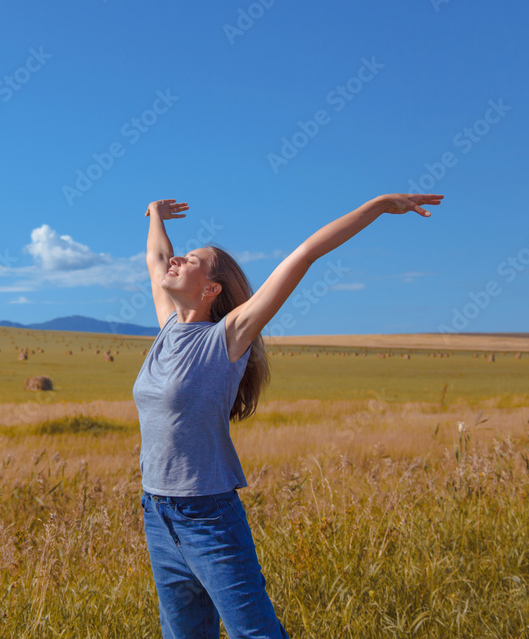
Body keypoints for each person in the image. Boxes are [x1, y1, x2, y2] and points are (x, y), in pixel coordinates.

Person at [133, 193, 443, 638]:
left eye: (193, 260)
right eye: (180, 256)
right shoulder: (167, 330)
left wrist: (378, 206)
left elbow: (304, 254)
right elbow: (157, 257)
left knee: (255, 633)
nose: (177, 259)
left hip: (207, 517)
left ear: (212, 289)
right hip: (157, 512)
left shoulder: (227, 337)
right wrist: (157, 215)